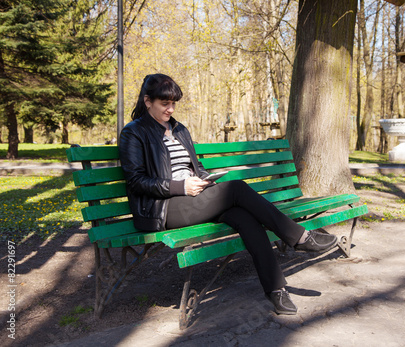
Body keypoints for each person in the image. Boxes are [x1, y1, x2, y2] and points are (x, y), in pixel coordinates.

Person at [119, 73, 338, 315]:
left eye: (173, 104)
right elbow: (137, 181)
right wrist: (181, 187)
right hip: (163, 208)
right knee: (236, 188)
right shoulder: (134, 132)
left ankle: (276, 289)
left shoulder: (179, 129)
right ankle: (299, 237)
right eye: (164, 104)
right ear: (148, 101)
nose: (170, 109)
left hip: (194, 199)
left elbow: (195, 167)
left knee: (246, 218)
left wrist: (204, 179)